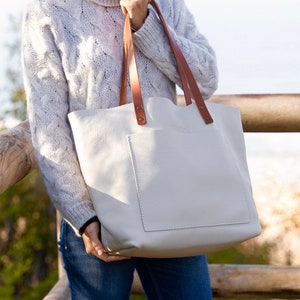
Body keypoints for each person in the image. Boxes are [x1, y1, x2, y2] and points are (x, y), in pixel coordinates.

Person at [22, 0, 218, 298]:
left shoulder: (164, 4)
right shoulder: (49, 10)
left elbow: (206, 80)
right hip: (97, 210)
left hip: (170, 204)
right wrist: (82, 215)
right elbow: (49, 127)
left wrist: (144, 23)